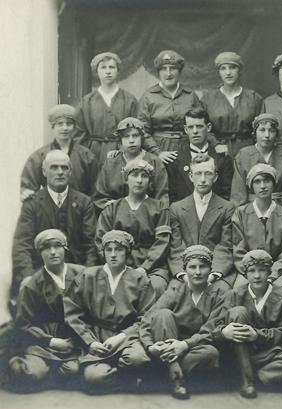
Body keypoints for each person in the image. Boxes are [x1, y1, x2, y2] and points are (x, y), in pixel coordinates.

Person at [63, 230, 155, 391]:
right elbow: (72, 313)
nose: (113, 254)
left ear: (127, 251)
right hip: (96, 338)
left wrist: (122, 337)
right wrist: (90, 342)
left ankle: (126, 372)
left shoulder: (139, 279)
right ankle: (130, 381)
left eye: (119, 249)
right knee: (94, 377)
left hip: (127, 338)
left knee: (138, 359)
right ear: (103, 252)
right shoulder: (87, 276)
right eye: (108, 249)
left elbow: (147, 317)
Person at [214, 250, 282, 398]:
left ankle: (253, 375)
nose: (257, 276)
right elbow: (216, 326)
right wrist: (224, 331)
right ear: (245, 274)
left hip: (267, 353)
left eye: (262, 270)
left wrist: (257, 335)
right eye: (251, 271)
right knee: (238, 311)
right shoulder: (235, 294)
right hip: (238, 352)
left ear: (269, 272)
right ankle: (248, 380)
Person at [140, 245, 225, 400]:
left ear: (210, 269)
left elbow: (212, 329)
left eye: (203, 267)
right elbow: (147, 320)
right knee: (163, 315)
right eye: (192, 267)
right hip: (167, 341)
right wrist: (150, 346)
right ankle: (176, 377)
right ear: (185, 270)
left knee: (211, 354)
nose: (198, 272)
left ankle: (162, 371)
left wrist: (184, 345)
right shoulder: (175, 290)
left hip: (193, 348)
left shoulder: (219, 294)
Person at [12, 150, 97, 299]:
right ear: (44, 171)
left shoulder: (84, 202)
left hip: (76, 274)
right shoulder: (32, 204)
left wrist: (88, 275)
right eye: (54, 167)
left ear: (70, 171)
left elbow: (91, 244)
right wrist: (28, 276)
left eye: (64, 168)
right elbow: (22, 245)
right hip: (41, 272)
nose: (60, 172)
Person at [9, 230, 84, 390]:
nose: (52, 252)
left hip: (75, 342)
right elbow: (23, 324)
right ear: (40, 253)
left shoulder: (83, 274)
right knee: (28, 374)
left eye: (57, 246)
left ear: (65, 248)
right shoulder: (33, 284)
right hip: (43, 344)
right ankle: (19, 361)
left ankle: (56, 371)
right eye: (46, 248)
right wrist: (51, 341)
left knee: (75, 371)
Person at [96, 159, 171, 297]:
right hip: (117, 265)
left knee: (156, 287)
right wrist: (120, 266)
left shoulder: (159, 208)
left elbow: (162, 242)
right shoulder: (112, 208)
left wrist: (144, 268)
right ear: (126, 178)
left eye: (144, 176)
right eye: (134, 175)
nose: (139, 180)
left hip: (153, 267)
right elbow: (101, 241)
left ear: (150, 181)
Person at [167, 155, 236, 293]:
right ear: (191, 176)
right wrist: (185, 275)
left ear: (215, 177)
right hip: (185, 271)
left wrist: (212, 275)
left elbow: (225, 245)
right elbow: (176, 247)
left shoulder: (227, 207)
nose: (203, 179)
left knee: (221, 293)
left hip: (214, 272)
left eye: (208, 173)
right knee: (175, 292)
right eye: (198, 173)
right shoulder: (176, 208)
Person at [231, 164, 282, 291]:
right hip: (248, 272)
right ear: (251, 186)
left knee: (281, 291)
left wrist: (273, 273)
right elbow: (238, 250)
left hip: (279, 274)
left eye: (267, 180)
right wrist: (251, 271)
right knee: (239, 291)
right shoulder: (240, 214)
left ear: (273, 184)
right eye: (257, 181)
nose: (262, 186)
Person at [137, 50, 204, 165]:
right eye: (164, 69)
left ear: (179, 71)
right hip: (158, 149)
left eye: (172, 68)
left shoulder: (190, 95)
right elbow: (142, 131)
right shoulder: (148, 96)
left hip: (187, 148)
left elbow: (202, 124)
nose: (168, 74)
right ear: (158, 72)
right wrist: (158, 152)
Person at [21, 104, 98, 200]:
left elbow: (96, 189)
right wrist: (27, 193)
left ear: (74, 127)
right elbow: (28, 187)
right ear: (52, 126)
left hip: (79, 210)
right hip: (49, 210)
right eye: (60, 124)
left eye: (69, 124)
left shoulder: (86, 156)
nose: (65, 128)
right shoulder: (39, 156)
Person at [75, 52, 139, 167]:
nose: (108, 71)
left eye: (112, 67)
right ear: (97, 71)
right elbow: (78, 134)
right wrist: (85, 155)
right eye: (103, 67)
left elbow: (138, 132)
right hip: (92, 156)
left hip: (123, 155)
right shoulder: (87, 101)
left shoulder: (130, 100)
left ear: (118, 71)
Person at [93, 117, 169, 211]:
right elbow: (100, 197)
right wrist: (112, 205)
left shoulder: (155, 162)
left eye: (135, 135)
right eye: (126, 136)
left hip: (148, 215)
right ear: (120, 139)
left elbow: (162, 197)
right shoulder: (111, 163)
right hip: (117, 215)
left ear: (142, 137)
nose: (131, 140)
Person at [231, 113, 282, 208]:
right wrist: (243, 217)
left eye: (271, 131)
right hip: (251, 210)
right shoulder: (243, 155)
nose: (267, 135)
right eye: (262, 130)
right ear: (254, 133)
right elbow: (238, 194)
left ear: (276, 134)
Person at [201, 51, 263, 157]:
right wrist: (216, 144)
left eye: (232, 67)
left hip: (249, 152)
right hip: (217, 152)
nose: (228, 72)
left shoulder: (253, 98)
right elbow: (202, 127)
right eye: (223, 68)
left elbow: (261, 128)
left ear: (239, 70)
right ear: (219, 72)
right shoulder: (208, 99)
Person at [164, 109, 233, 202]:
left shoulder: (222, 158)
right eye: (191, 127)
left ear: (208, 127)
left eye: (199, 126)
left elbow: (227, 194)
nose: (195, 131)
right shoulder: (175, 160)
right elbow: (171, 196)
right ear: (185, 129)